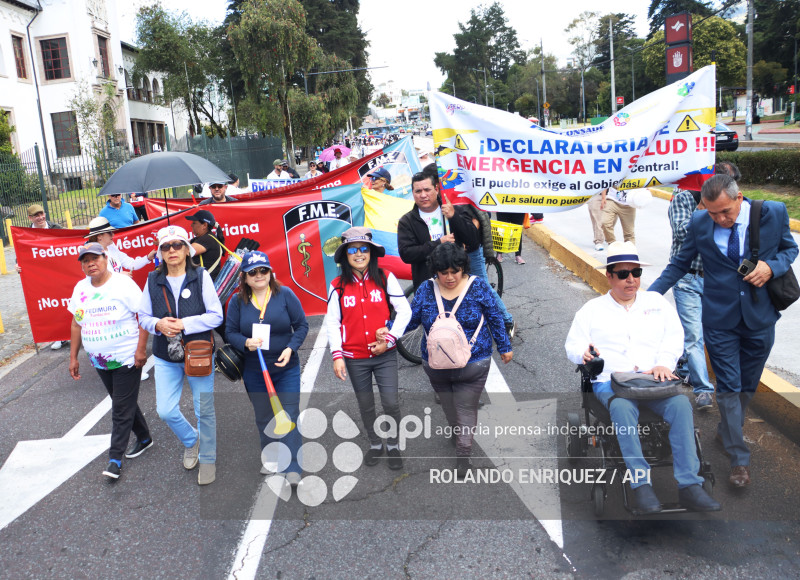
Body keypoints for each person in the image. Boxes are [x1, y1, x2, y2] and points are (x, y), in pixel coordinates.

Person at [649, 174, 798, 488]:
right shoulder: (700, 222)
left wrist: (772, 267)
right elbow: (679, 263)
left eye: (725, 212)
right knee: (729, 385)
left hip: (760, 317)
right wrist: (648, 296)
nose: (719, 219)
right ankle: (739, 459)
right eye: (712, 212)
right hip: (718, 321)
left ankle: (726, 429)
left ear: (739, 198)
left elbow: (789, 250)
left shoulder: (772, 212)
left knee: (747, 384)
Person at [565, 241, 721, 513]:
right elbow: (573, 346)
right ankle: (641, 485)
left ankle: (689, 485)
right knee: (623, 407)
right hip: (612, 381)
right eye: (623, 274)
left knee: (681, 405)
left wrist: (664, 362)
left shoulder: (657, 303)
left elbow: (675, 337)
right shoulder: (591, 310)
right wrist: (584, 353)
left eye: (636, 273)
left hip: (652, 380)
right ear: (609, 276)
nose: (631, 280)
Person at [406, 243, 512, 476]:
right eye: (444, 272)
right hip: (465, 360)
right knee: (459, 407)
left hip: (450, 362)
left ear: (463, 267)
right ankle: (462, 445)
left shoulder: (426, 289)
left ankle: (462, 449)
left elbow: (411, 321)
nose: (450, 277)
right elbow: (494, 318)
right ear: (436, 270)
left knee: (458, 407)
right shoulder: (478, 287)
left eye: (455, 271)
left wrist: (505, 345)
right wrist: (504, 347)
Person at [138, 225, 223, 486]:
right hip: (166, 354)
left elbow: (216, 315)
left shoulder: (200, 276)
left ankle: (208, 458)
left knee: (203, 409)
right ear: (160, 253)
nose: (172, 250)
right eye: (166, 246)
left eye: (178, 245)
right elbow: (143, 316)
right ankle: (191, 440)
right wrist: (158, 325)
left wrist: (185, 324)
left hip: (197, 352)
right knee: (164, 410)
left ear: (187, 250)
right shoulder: (152, 279)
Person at [326, 227, 411, 470]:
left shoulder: (385, 277)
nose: (359, 254)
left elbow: (405, 311)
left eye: (364, 249)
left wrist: (391, 338)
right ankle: (375, 444)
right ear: (345, 255)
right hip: (354, 358)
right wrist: (337, 356)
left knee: (391, 402)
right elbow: (332, 322)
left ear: (372, 253)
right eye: (353, 250)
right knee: (366, 404)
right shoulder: (337, 285)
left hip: (385, 355)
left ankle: (393, 445)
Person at [67, 243, 152, 480]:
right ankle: (144, 437)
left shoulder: (122, 284)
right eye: (85, 261)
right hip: (100, 361)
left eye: (95, 258)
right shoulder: (80, 288)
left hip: (126, 358)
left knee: (120, 409)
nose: (90, 263)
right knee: (122, 401)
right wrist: (73, 357)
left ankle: (115, 459)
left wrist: (141, 350)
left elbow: (143, 316)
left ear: (106, 259)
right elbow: (76, 323)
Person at [664, 163, 743, 411]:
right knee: (694, 335)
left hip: (715, 280)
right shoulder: (683, 199)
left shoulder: (726, 208)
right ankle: (703, 390)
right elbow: (681, 233)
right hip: (687, 278)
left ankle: (707, 377)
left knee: (718, 334)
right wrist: (702, 210)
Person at [225, 251, 308, 483]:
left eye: (263, 270)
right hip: (255, 371)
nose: (259, 275)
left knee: (289, 415)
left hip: (286, 367)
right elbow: (230, 332)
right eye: (253, 272)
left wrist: (291, 347)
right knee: (264, 417)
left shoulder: (285, 295)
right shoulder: (237, 301)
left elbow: (301, 325)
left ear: (270, 272)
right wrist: (245, 342)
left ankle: (293, 467)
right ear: (244, 277)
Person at [418, 163, 515, 338]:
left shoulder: (458, 196)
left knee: (482, 287)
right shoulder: (429, 202)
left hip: (470, 251)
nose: (426, 191)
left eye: (430, 185)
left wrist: (456, 222)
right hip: (446, 254)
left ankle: (506, 319)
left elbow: (474, 225)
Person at [398, 172, 480, 290]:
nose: (423, 195)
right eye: (418, 191)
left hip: (457, 283)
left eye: (427, 190)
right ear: (413, 193)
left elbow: (472, 239)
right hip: (427, 285)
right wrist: (438, 243)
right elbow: (407, 254)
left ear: (436, 189)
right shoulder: (407, 221)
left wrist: (454, 217)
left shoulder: (453, 210)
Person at [17, 204, 66, 349]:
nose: (40, 218)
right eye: (36, 216)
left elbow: (70, 242)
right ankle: (59, 336)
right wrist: (17, 264)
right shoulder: (25, 234)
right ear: (30, 218)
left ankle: (75, 332)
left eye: (41, 214)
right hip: (41, 276)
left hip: (60, 272)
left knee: (65, 301)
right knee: (50, 304)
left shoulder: (56, 228)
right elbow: (21, 254)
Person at [84, 216, 156, 274]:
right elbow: (99, 278)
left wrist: (148, 257)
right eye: (109, 232)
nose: (113, 234)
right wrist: (120, 276)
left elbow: (131, 264)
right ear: (99, 236)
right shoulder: (92, 255)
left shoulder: (112, 249)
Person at [185, 209, 225, 282]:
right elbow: (183, 243)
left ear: (204, 225)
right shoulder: (202, 238)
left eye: (194, 223)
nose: (191, 225)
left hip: (206, 285)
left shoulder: (207, 239)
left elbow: (185, 252)